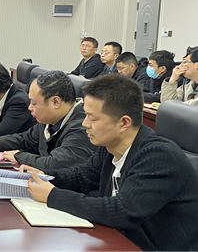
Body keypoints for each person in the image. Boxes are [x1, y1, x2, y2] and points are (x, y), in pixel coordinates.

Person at [23, 74, 198, 252]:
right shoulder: (111, 147)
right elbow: (82, 177)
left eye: (92, 118)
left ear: (123, 123)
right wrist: (44, 176)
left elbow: (121, 212)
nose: (85, 123)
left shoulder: (158, 156)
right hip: (122, 241)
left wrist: (53, 196)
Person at [0, 70, 94, 169]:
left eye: (34, 103)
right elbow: (25, 139)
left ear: (55, 102)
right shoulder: (49, 120)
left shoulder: (83, 127)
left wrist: (19, 156)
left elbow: (55, 164)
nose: (29, 107)